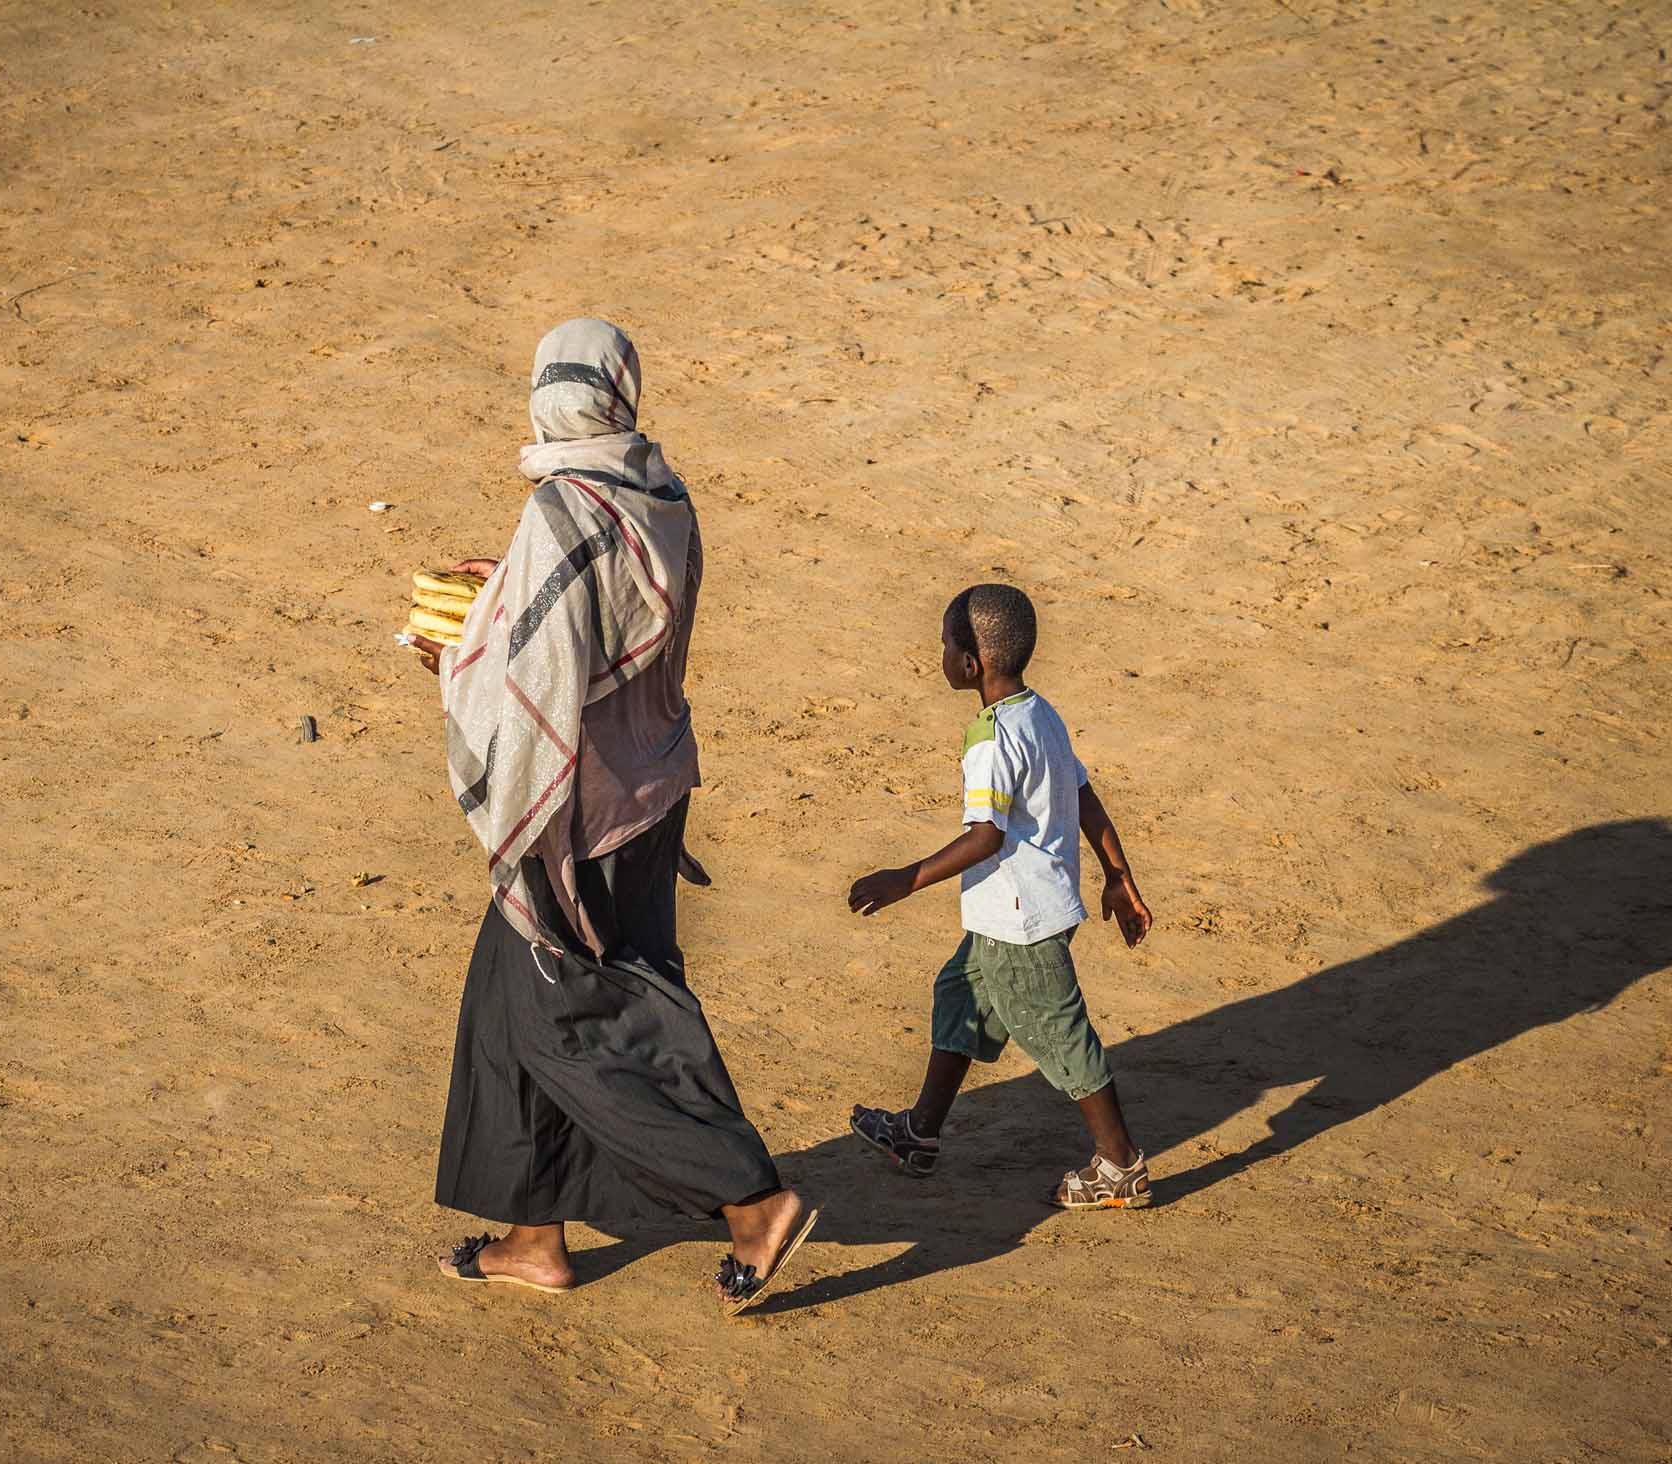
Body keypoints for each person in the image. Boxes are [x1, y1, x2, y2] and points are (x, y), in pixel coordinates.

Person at [410, 318, 817, 1312]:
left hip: (574, 817)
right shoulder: (659, 493)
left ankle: (751, 1201)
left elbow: (539, 683)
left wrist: (457, 655)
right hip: (652, 793)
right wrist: (504, 594)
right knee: (507, 1005)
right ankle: (534, 1238)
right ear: (619, 394)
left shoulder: (562, 508)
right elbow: (596, 623)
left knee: (581, 1021)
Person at [845, 583, 1157, 1209]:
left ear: (970, 664)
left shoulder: (989, 740)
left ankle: (1120, 1163)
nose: (939, 653)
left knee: (1060, 1033)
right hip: (1021, 912)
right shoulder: (1041, 713)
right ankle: (920, 1131)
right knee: (960, 996)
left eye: (944, 644)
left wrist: (906, 879)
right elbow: (1083, 795)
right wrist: (1117, 875)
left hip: (1021, 924)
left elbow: (985, 836)